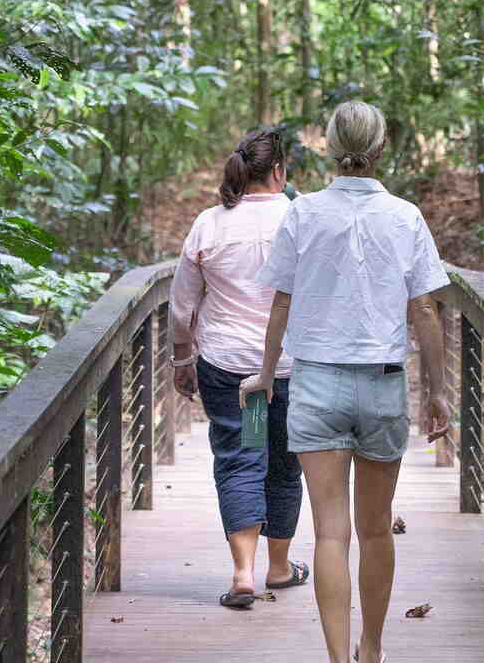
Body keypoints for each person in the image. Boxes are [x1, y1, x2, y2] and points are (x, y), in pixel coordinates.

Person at [242, 101, 451, 663]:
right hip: (382, 384)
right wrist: (437, 390)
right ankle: (371, 650)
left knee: (331, 533)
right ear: (380, 148)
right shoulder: (405, 216)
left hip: (316, 383)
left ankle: (338, 658)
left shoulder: (303, 213)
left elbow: (281, 303)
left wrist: (266, 373)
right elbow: (425, 310)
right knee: (376, 529)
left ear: (330, 148)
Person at [169, 127, 310, 609]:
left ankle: (243, 573)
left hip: (233, 370)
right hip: (290, 367)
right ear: (279, 171)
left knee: (244, 456)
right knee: (284, 464)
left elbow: (182, 303)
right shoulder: (301, 218)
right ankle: (279, 566)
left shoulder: (210, 224)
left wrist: (182, 357)